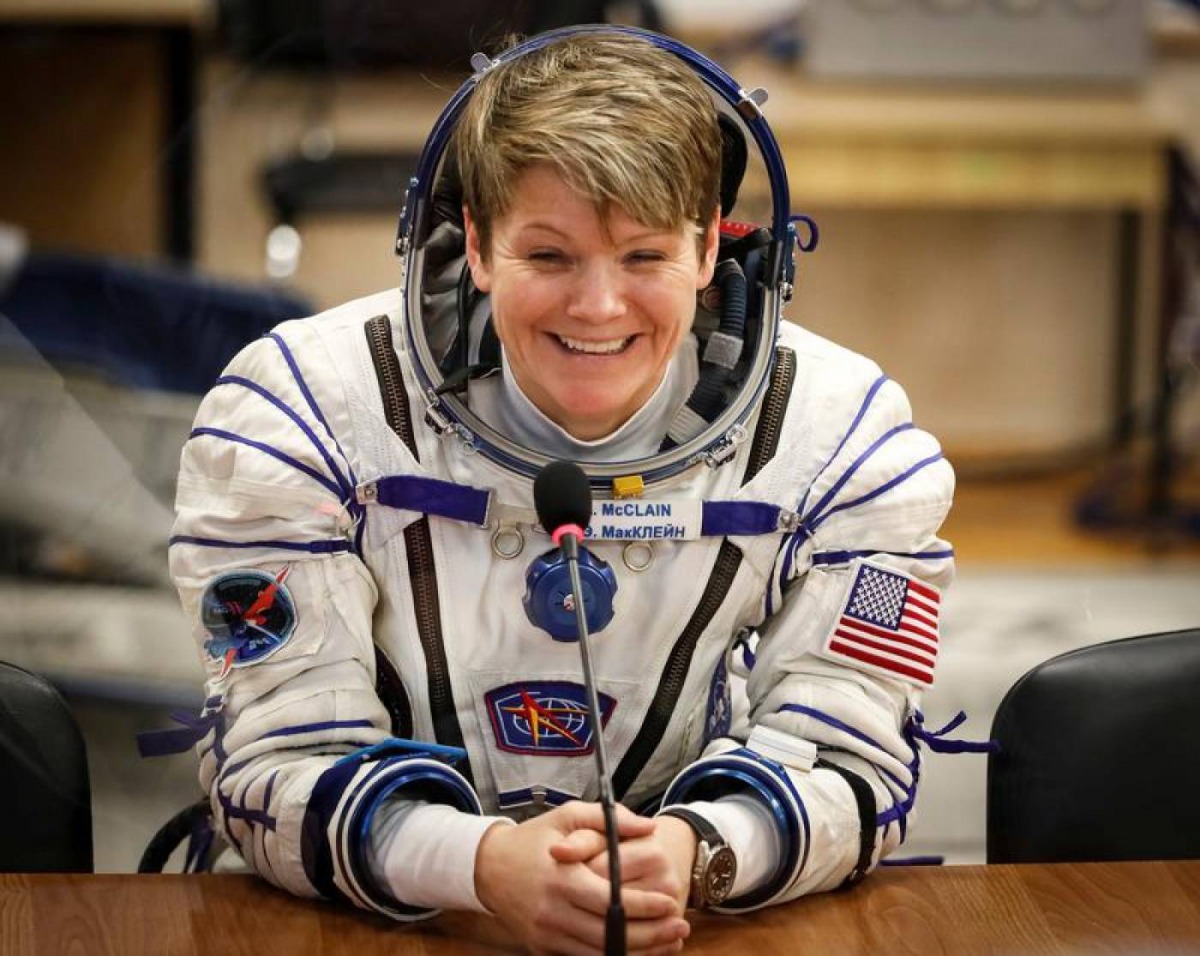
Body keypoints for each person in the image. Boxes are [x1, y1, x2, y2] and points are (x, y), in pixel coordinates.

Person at [165, 25, 955, 955]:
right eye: (548, 255)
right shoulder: (299, 412)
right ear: (477, 245)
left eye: (644, 256)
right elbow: (273, 755)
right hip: (378, 918)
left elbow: (856, 754)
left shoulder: (847, 442)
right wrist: (477, 864)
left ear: (710, 249)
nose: (597, 307)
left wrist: (700, 848)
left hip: (678, 920)